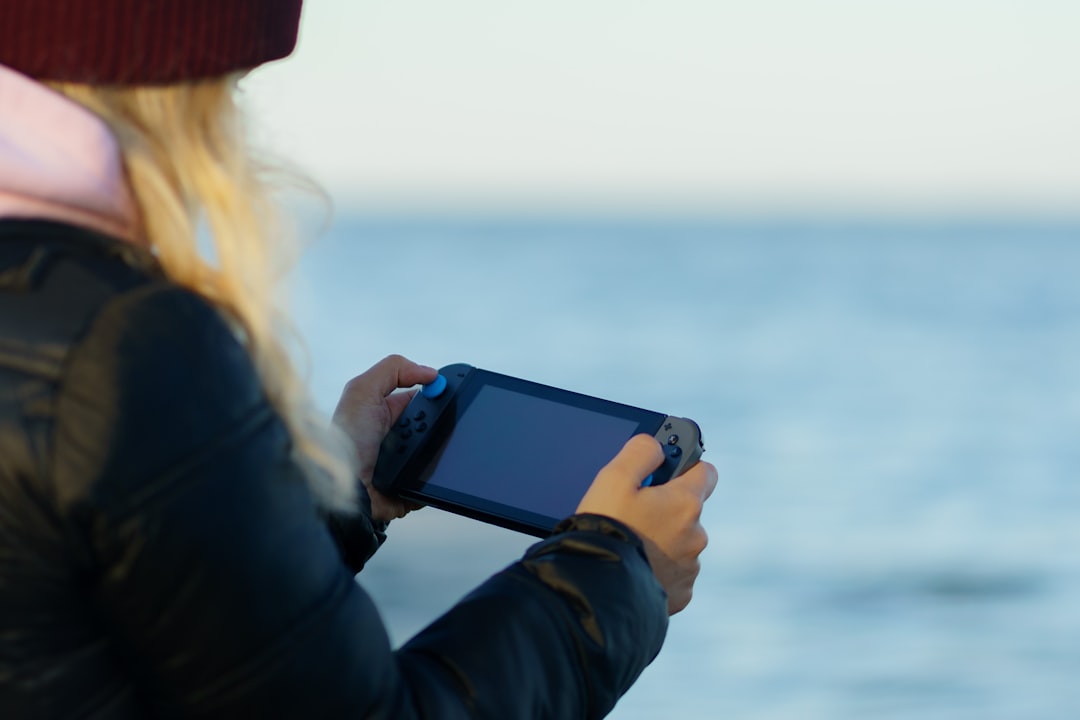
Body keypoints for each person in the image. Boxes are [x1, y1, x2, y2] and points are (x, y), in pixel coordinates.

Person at [0, 2, 717, 717]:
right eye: (236, 87)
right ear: (172, 80)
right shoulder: (128, 339)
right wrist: (615, 574)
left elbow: (146, 634)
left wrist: (334, 500)